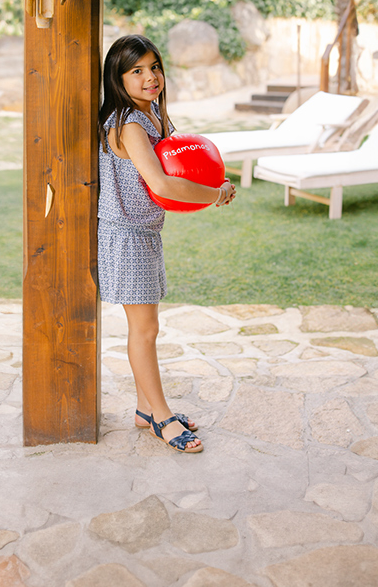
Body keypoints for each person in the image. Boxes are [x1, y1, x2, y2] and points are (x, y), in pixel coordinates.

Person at [97, 35, 236, 454]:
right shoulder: (128, 123)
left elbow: (180, 163)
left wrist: (209, 180)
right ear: (118, 79)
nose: (150, 77)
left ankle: (144, 409)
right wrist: (215, 194)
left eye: (154, 67)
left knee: (148, 327)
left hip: (145, 231)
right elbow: (160, 183)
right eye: (137, 70)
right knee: (144, 330)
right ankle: (161, 417)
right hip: (126, 235)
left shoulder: (153, 112)